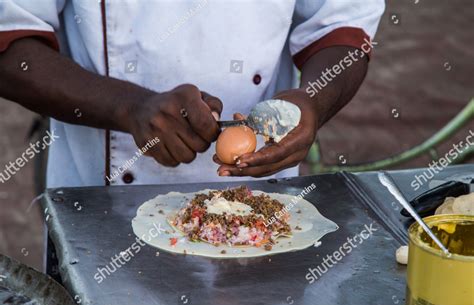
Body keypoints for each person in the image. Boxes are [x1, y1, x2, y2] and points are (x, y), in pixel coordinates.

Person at [0, 0, 384, 188]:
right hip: (98, 200)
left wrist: (313, 101)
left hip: (264, 202)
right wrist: (129, 108)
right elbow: (12, 37)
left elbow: (342, 23)